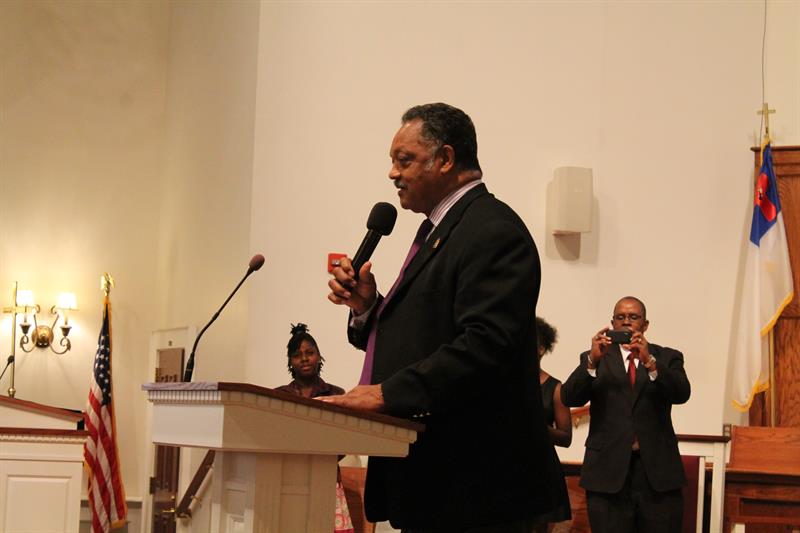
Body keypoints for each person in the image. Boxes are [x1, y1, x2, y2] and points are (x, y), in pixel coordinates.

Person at [325, 103, 565, 532]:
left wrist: (386, 394)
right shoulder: (441, 229)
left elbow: (486, 344)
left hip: (480, 487)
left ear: (447, 159)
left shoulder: (492, 229)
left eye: (405, 160)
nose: (392, 174)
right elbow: (423, 336)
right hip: (439, 483)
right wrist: (367, 308)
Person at [560, 297, 691, 533]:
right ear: (612, 323)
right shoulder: (595, 357)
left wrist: (650, 362)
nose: (626, 323)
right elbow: (570, 397)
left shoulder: (667, 357)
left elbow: (682, 393)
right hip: (607, 474)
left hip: (657, 474)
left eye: (633, 317)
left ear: (646, 324)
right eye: (620, 318)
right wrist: (592, 361)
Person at [274, 323, 353, 533]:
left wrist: (320, 454)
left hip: (326, 475)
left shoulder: (335, 393)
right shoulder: (278, 396)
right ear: (290, 361)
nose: (305, 358)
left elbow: (344, 439)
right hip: (288, 475)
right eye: (298, 355)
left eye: (310, 353)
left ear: (319, 357)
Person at [535, 317, 572, 448]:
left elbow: (566, 438)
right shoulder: (506, 382)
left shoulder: (555, 388)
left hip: (540, 461)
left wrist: (537, 427)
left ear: (541, 349)